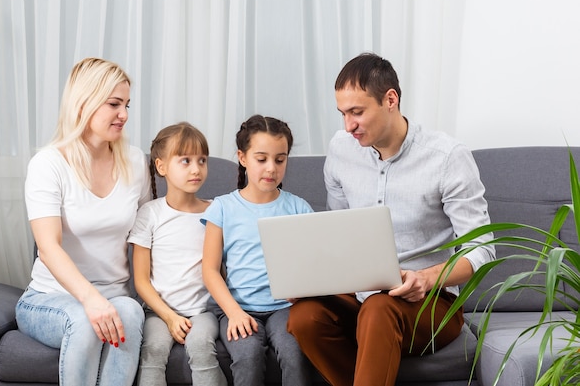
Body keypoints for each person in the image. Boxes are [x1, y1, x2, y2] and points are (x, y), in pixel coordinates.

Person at [287, 52, 496, 386]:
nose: (348, 125)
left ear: (390, 99)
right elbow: (337, 232)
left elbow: (483, 249)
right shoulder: (341, 150)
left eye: (357, 112)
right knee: (304, 317)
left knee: (380, 309)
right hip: (360, 297)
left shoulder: (447, 158)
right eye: (343, 113)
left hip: (430, 304)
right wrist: (314, 281)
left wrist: (425, 278)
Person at [16, 57, 150, 386]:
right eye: (114, 104)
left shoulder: (134, 161)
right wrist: (92, 300)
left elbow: (148, 235)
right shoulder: (48, 164)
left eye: (127, 104)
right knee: (85, 319)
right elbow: (48, 248)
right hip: (49, 299)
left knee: (130, 312)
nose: (125, 115)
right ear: (83, 104)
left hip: (116, 295)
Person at [202, 114, 313, 386]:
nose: (271, 168)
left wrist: (303, 292)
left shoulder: (298, 207)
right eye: (261, 159)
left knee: (294, 351)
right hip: (237, 307)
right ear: (242, 157)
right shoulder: (222, 207)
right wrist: (234, 313)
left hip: (284, 307)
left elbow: (313, 264)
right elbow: (209, 270)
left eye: (280, 159)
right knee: (248, 354)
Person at [128, 122, 227, 386]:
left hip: (203, 311)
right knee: (154, 350)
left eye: (202, 160)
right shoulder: (150, 213)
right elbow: (140, 280)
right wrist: (170, 317)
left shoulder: (217, 210)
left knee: (201, 346)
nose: (196, 169)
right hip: (158, 312)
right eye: (185, 160)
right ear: (161, 167)